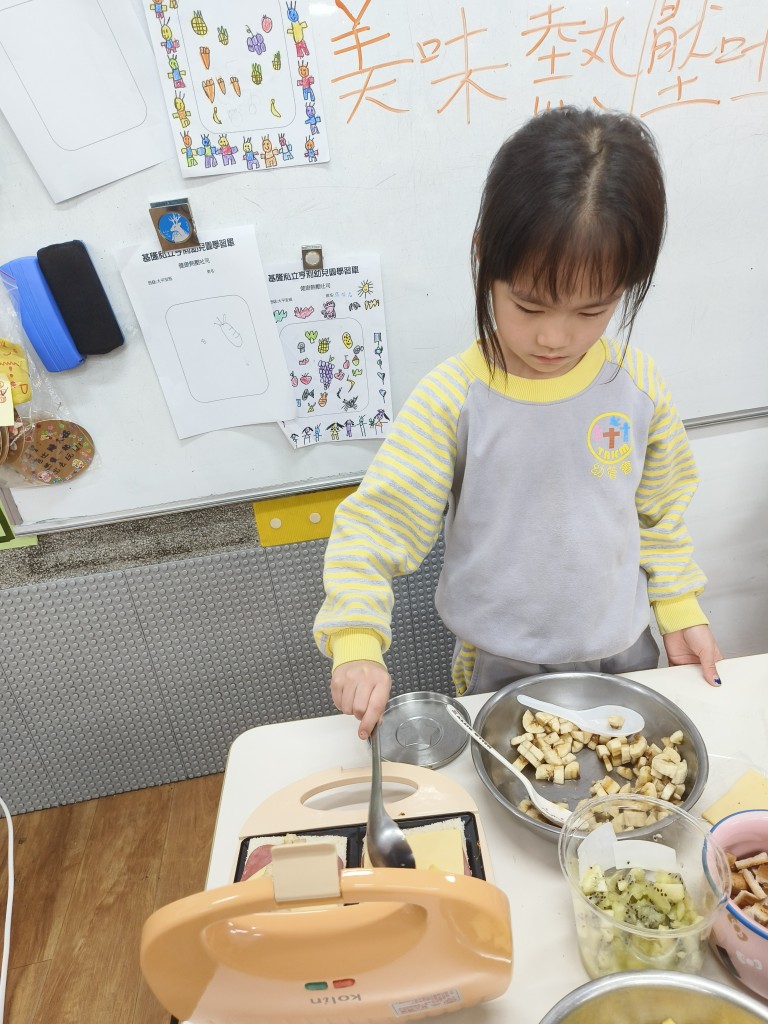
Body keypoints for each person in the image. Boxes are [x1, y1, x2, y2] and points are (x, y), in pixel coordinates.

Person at [314, 106, 722, 741]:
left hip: (626, 651)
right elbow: (376, 526)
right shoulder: (454, 399)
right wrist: (356, 638)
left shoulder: (637, 386)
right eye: (529, 305)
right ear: (485, 255)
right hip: (499, 665)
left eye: (592, 310)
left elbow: (660, 516)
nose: (555, 338)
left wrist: (681, 609)